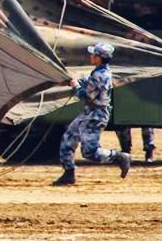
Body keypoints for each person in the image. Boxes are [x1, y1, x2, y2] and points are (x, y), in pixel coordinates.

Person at [52, 42, 134, 186]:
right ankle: (68, 173)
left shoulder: (101, 75)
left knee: (90, 153)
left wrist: (75, 86)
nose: (91, 56)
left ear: (99, 57)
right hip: (89, 113)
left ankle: (119, 157)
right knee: (68, 139)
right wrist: (74, 81)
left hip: (96, 116)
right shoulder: (98, 73)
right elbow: (88, 83)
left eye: (93, 54)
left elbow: (86, 96)